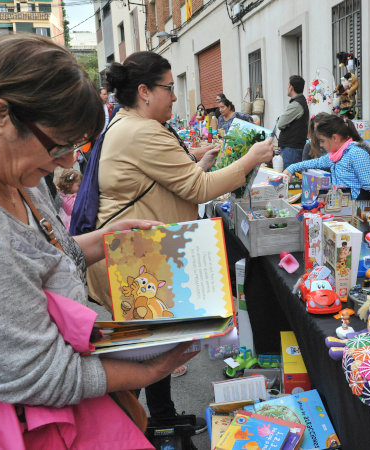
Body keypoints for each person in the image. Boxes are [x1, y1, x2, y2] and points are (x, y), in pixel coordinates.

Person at [0, 34, 198, 448]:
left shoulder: (11, 169)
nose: (67, 162)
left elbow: (49, 253)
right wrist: (149, 371)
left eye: (75, 147)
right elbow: (42, 375)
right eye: (59, 145)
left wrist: (104, 240)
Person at [86, 51, 273, 431]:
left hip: (135, 256)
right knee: (144, 354)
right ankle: (131, 429)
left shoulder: (126, 123)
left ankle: (161, 419)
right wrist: (251, 159)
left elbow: (170, 179)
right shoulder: (142, 130)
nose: (175, 97)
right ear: (144, 91)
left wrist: (199, 164)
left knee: (154, 346)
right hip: (134, 262)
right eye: (169, 89)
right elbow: (198, 188)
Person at [283, 114, 370, 200]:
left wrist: (356, 210)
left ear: (335, 138)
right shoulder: (334, 156)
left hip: (355, 211)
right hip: (340, 207)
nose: (321, 145)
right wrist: (291, 168)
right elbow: (314, 162)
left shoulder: (357, 154)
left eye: (322, 141)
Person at [277, 75, 310, 168]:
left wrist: (286, 124)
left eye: (288, 86)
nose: (287, 88)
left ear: (291, 87)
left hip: (292, 148)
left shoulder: (296, 104)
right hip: (294, 147)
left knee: (291, 177)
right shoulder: (299, 102)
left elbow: (280, 124)